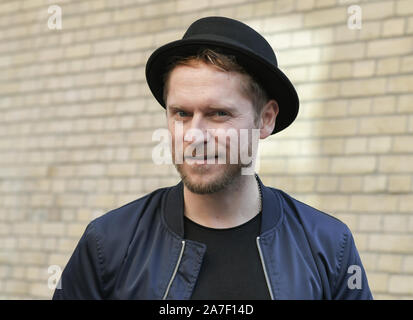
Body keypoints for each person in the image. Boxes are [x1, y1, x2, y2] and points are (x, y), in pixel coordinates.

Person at [53, 16, 373, 300]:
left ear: (266, 119)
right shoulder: (108, 244)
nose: (194, 135)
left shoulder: (328, 246)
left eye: (219, 113)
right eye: (181, 113)